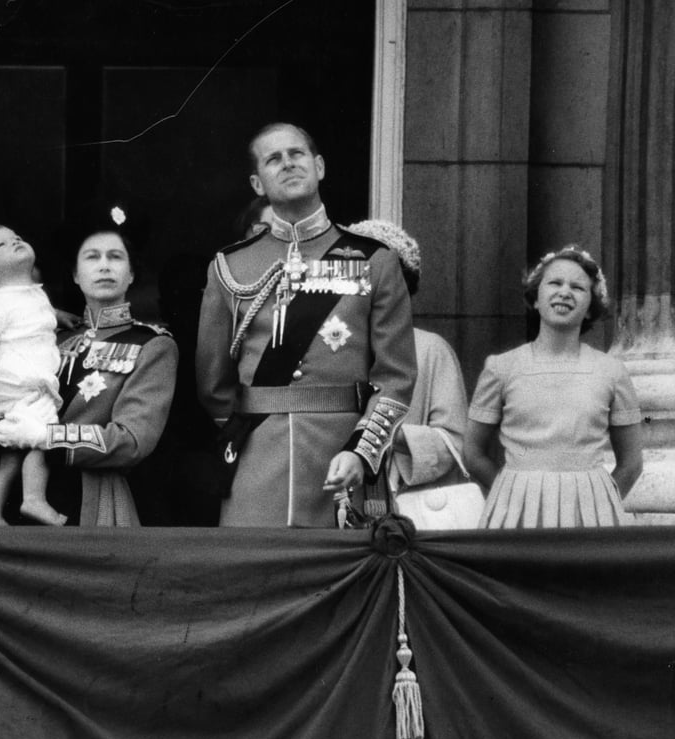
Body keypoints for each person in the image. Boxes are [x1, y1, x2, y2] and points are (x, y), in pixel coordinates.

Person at [196, 122, 416, 527]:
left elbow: (396, 377)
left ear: (319, 166)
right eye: (273, 159)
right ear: (257, 183)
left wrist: (360, 451)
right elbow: (214, 383)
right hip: (257, 462)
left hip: (342, 459)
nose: (287, 164)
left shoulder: (375, 260)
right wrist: (246, 439)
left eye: (297, 154)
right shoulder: (230, 266)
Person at [0, 219, 179, 526]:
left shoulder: (152, 345)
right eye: (92, 257)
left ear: (131, 274)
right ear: (76, 275)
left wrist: (47, 437)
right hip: (18, 496)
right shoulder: (50, 337)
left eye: (115, 257)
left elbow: (131, 441)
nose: (104, 265)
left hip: (87, 498)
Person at [463, 245, 643, 527]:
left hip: (589, 515)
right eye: (555, 283)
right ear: (536, 298)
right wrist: (509, 490)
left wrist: (598, 499)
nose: (564, 292)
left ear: (589, 308)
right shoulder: (501, 368)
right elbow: (473, 453)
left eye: (578, 287)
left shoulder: (611, 371)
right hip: (516, 513)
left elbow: (631, 463)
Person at [341, 219, 469, 497]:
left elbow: (454, 443)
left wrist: (382, 434)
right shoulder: (326, 344)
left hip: (400, 504)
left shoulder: (430, 349)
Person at [0, 224, 66, 526]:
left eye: (16, 237)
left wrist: (61, 317)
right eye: (2, 245)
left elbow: (39, 313)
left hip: (22, 393)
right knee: (43, 440)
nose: (15, 241)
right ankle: (34, 500)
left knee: (9, 461)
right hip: (16, 392)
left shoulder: (33, 296)